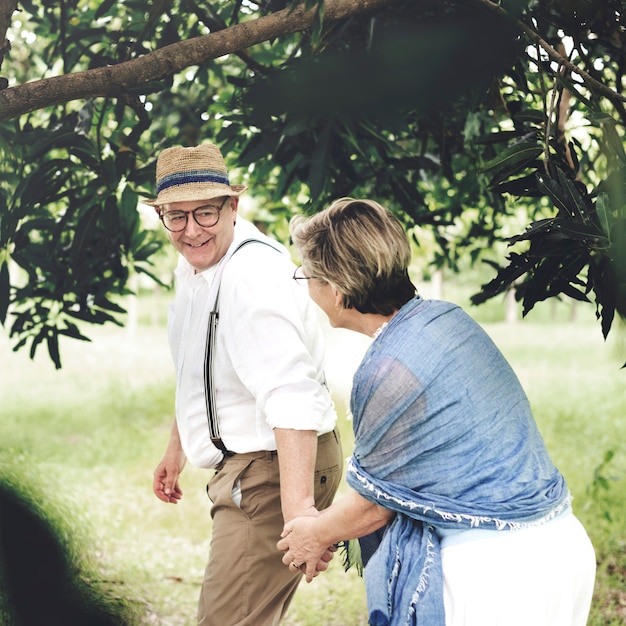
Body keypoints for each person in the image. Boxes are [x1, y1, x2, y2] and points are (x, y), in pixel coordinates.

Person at [278, 198, 596, 626]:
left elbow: (376, 505)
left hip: (501, 573)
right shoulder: (445, 318)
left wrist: (314, 534)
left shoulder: (390, 368)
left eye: (307, 276)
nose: (307, 286)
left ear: (335, 290)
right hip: (560, 547)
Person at [146, 143, 343, 626]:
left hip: (274, 471)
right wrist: (178, 449)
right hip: (252, 467)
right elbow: (198, 366)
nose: (191, 230)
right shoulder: (199, 266)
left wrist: (299, 514)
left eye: (205, 213)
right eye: (176, 217)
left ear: (233, 206)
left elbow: (292, 397)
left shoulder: (249, 277)